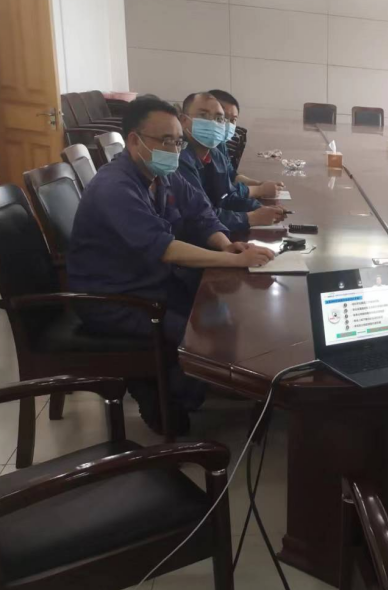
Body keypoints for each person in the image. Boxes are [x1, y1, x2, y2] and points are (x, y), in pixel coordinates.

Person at [68, 97, 276, 434]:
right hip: (115, 298)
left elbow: (200, 214)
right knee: (193, 331)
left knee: (220, 308)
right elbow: (164, 248)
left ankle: (201, 380)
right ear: (134, 140)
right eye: (166, 140)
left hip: (152, 282)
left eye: (179, 141)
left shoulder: (161, 174)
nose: (175, 149)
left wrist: (227, 244)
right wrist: (233, 259)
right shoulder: (115, 187)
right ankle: (159, 391)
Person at [178, 92, 286, 232]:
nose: (212, 123)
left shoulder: (215, 154)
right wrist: (251, 218)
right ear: (183, 120)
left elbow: (227, 198)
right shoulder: (179, 159)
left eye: (219, 118)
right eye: (203, 115)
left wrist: (259, 208)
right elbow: (199, 217)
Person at [209, 88, 283, 200]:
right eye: (222, 118)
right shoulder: (194, 152)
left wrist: (258, 184)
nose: (227, 124)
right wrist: (259, 190)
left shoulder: (219, 144)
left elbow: (231, 175)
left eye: (233, 120)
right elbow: (221, 194)